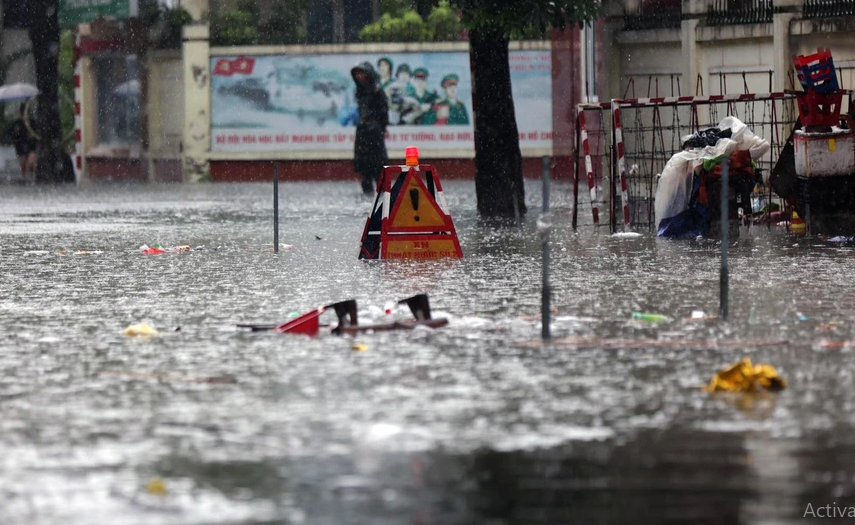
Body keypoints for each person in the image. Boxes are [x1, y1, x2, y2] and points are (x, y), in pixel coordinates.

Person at [351, 62, 389, 194]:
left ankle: (383, 195)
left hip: (374, 132)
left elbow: (384, 112)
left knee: (378, 167)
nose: (359, 76)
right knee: (364, 169)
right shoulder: (359, 92)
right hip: (363, 134)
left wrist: (379, 126)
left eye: (362, 73)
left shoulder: (377, 91)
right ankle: (368, 192)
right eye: (357, 74)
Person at [9, 103, 37, 180]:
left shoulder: (32, 122)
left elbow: (37, 134)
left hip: (31, 144)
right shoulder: (17, 124)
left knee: (31, 161)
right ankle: (24, 177)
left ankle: (31, 175)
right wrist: (16, 132)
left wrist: (32, 135)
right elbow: (13, 135)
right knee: (23, 162)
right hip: (21, 145)